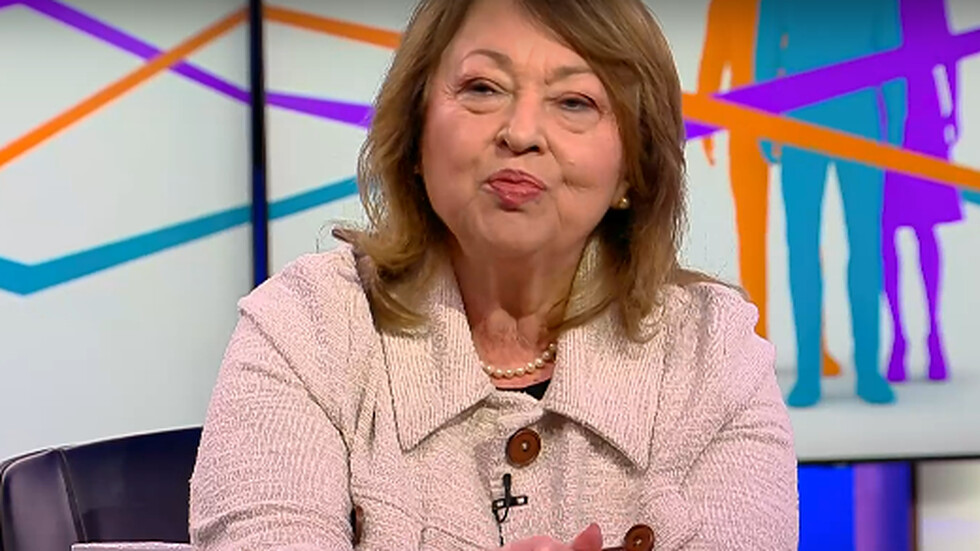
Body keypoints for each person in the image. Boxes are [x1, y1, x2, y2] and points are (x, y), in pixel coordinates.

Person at [188, 0, 798, 549]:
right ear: (416, 132)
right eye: (482, 88)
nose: (521, 133)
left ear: (633, 168)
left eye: (574, 102)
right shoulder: (308, 327)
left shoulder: (712, 356)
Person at [755, 0, 905, 408]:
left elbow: (891, 50)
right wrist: (764, 121)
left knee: (866, 247)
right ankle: (809, 372)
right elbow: (766, 49)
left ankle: (868, 370)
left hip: (860, 126)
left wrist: (895, 125)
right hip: (803, 123)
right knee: (803, 248)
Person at [883, 0, 963, 383]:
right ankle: (900, 338)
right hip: (887, 115)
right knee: (889, 232)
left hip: (922, 114)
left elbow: (948, 50)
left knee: (921, 228)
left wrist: (954, 108)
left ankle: (931, 333)